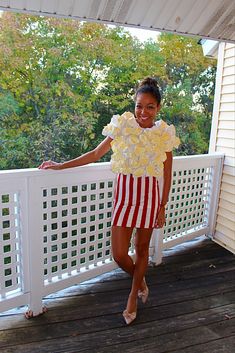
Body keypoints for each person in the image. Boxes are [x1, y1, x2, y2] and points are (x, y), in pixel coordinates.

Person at [39, 77, 180, 325]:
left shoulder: (163, 134)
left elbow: (167, 173)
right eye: (139, 105)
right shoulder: (123, 126)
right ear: (134, 105)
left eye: (149, 107)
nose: (143, 112)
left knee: (143, 249)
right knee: (118, 254)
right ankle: (140, 280)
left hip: (149, 197)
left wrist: (162, 206)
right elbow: (95, 153)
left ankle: (133, 297)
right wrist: (60, 166)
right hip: (124, 197)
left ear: (158, 108)